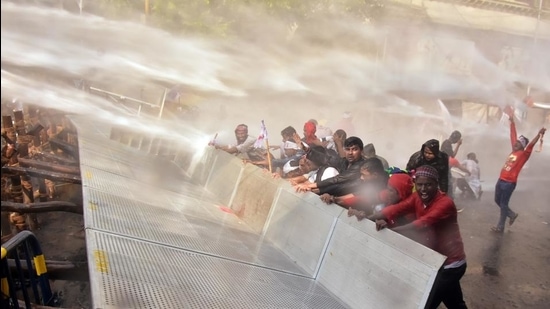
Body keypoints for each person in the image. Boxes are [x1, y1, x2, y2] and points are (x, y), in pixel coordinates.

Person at [368, 165, 468, 309]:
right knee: (455, 303)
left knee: (424, 304)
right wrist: (367, 217)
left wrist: (390, 230)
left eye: (428, 185)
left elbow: (422, 223)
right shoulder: (417, 198)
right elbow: (395, 209)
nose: (423, 189)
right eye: (420, 185)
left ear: (436, 184)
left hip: (451, 264)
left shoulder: (445, 203)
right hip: (436, 260)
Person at [491, 112, 546, 233]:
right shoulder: (514, 150)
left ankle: (500, 226)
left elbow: (531, 144)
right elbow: (512, 135)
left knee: (503, 204)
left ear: (522, 146)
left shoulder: (523, 155)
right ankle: (511, 214)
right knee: (497, 200)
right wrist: (512, 122)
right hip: (501, 180)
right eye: (515, 143)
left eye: (518, 143)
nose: (515, 144)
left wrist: (539, 134)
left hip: (509, 183)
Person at [295, 136, 365, 196]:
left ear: (361, 151)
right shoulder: (344, 162)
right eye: (347, 149)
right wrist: (306, 149)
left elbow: (337, 180)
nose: (350, 153)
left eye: (354, 149)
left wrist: (310, 187)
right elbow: (326, 159)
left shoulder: (362, 166)